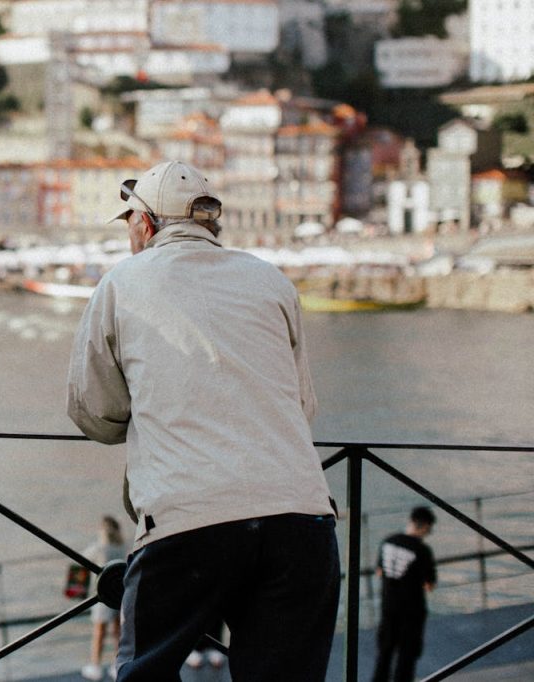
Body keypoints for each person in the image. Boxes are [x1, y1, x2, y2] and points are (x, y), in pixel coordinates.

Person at [66, 160, 340, 681]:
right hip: (301, 516)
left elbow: (93, 412)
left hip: (188, 519)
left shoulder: (121, 283)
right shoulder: (272, 280)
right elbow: (302, 407)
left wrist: (159, 403)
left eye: (128, 221)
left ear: (145, 224)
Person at [371, 506, 437, 682]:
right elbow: (429, 585)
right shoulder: (423, 551)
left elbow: (379, 571)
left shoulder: (387, 541)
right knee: (406, 659)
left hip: (388, 607)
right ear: (425, 527)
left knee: (384, 654)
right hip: (412, 611)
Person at [81, 515, 127, 681]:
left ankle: (96, 666)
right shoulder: (122, 546)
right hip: (118, 594)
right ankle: (118, 665)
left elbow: (83, 558)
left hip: (101, 596)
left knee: (99, 632)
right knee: (118, 632)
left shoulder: (100, 548)